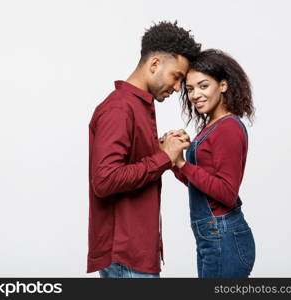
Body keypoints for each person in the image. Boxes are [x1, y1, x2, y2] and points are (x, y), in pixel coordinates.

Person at [87, 21, 200, 278]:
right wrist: (163, 157)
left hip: (134, 254)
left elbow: (126, 166)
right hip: (127, 257)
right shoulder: (119, 109)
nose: (177, 88)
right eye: (177, 77)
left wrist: (160, 150)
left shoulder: (137, 106)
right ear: (155, 64)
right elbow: (104, 180)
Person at [169, 49, 256, 277]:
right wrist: (173, 159)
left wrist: (182, 164)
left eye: (203, 86)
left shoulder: (228, 127)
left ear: (223, 86)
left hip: (223, 235)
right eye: (190, 89)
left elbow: (226, 193)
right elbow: (202, 187)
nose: (195, 94)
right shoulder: (212, 125)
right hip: (212, 235)